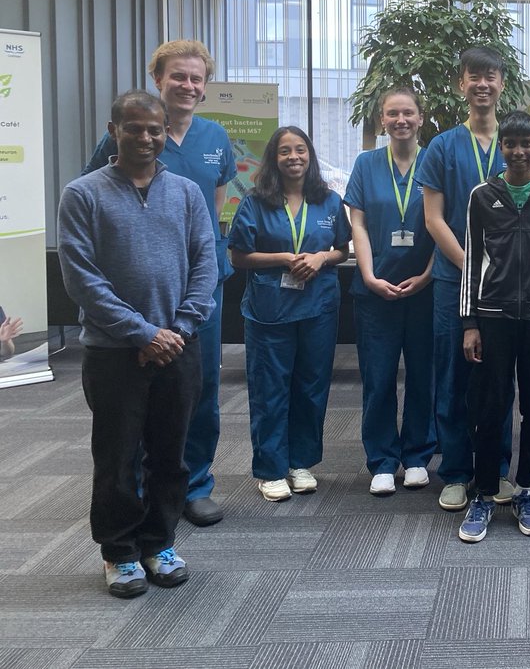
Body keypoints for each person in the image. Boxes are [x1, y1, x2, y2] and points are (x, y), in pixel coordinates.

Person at [59, 90, 216, 598]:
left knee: (170, 454)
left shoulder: (188, 193)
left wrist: (180, 329)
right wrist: (143, 333)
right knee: (118, 456)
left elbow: (205, 265)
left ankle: (158, 542)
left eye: (155, 129)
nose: (146, 138)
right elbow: (82, 279)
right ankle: (119, 551)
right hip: (114, 352)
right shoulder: (82, 194)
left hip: (180, 344)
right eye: (134, 128)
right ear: (113, 130)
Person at [83, 40, 236, 528]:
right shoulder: (130, 133)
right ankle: (138, 489)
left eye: (196, 78)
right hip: (136, 294)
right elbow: (96, 207)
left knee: (198, 388)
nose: (188, 86)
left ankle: (194, 485)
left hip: (197, 290)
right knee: (135, 393)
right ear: (159, 80)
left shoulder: (216, 137)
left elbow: (214, 216)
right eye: (178, 76)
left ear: (206, 87)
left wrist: (199, 288)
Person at [458, 111, 530, 542]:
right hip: (493, 318)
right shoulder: (483, 195)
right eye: (511, 144)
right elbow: (471, 261)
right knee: (489, 409)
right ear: (501, 147)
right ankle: (485, 494)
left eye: (527, 143)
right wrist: (470, 323)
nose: (519, 151)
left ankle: (525, 490)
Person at [416, 46, 519, 512]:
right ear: (462, 84)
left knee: (500, 379)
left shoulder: (516, 141)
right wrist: (470, 267)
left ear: (501, 83)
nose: (483, 84)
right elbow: (434, 219)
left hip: (506, 284)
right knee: (453, 376)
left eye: (491, 76)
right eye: (474, 76)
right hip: (453, 279)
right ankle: (456, 472)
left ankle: (496, 469)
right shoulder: (442, 146)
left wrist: (495, 271)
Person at [228, 126, 350, 502]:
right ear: (274, 159)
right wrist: (283, 258)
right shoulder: (254, 201)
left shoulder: (328, 200)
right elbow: (238, 256)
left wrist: (321, 257)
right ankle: (270, 468)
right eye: (285, 151)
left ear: (310, 156)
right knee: (270, 388)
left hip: (317, 307)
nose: (294, 157)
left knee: (311, 386)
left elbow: (343, 249)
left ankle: (301, 463)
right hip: (270, 309)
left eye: (301, 150)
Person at [345, 87, 436, 496]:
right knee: (378, 377)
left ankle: (417, 456)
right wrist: (367, 275)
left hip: (425, 290)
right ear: (382, 120)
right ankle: (382, 460)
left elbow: (444, 225)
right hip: (375, 290)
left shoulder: (435, 162)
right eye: (392, 114)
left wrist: (430, 275)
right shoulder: (366, 164)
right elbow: (358, 225)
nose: (401, 120)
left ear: (421, 118)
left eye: (408, 113)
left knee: (423, 376)